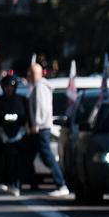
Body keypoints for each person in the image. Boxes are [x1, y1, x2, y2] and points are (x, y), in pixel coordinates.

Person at [26, 63, 72, 198]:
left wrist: (37, 124)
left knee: (47, 157)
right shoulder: (38, 87)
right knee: (29, 156)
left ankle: (61, 184)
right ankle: (14, 183)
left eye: (31, 73)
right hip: (41, 128)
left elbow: (41, 108)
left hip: (41, 128)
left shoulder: (40, 87)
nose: (28, 75)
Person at [0, 74, 30, 196]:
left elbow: (26, 117)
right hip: (1, 134)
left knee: (22, 159)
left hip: (18, 134)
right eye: (6, 86)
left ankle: (22, 183)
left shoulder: (22, 100)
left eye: (11, 86)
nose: (8, 88)